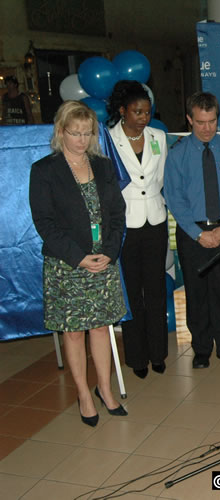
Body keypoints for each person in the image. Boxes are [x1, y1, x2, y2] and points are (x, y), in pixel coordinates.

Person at [29, 100, 128, 426]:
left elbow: (116, 213)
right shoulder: (45, 170)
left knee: (101, 328)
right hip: (68, 265)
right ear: (61, 132)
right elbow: (45, 223)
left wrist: (110, 252)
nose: (81, 140)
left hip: (103, 261)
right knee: (73, 333)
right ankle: (84, 394)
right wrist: (79, 257)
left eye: (87, 133)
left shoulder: (102, 166)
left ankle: (104, 388)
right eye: (75, 133)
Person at [163, 92, 220, 369]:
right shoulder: (177, 154)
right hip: (192, 233)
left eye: (212, 121)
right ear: (189, 119)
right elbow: (175, 199)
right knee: (197, 294)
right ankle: (201, 349)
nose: (207, 128)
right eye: (200, 122)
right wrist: (199, 234)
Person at [107, 80, 168, 379]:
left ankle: (158, 353)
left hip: (155, 221)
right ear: (122, 111)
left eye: (147, 112)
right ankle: (137, 357)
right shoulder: (107, 139)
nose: (144, 117)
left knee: (155, 289)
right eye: (138, 112)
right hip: (126, 225)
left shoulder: (159, 136)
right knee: (131, 292)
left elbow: (161, 178)